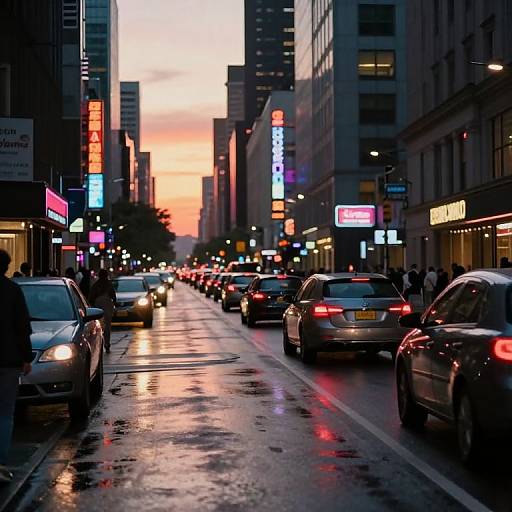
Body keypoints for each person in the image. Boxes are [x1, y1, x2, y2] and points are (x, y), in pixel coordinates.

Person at [0, 250, 32, 483]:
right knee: (5, 413)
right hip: (8, 361)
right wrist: (26, 358)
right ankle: (0, 463)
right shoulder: (13, 291)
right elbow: (22, 327)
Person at [89, 269, 116, 353]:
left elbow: (91, 298)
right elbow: (113, 296)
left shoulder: (96, 285)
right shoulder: (109, 284)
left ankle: (99, 344)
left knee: (98, 326)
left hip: (98, 306)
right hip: (107, 305)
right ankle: (107, 344)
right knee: (107, 326)